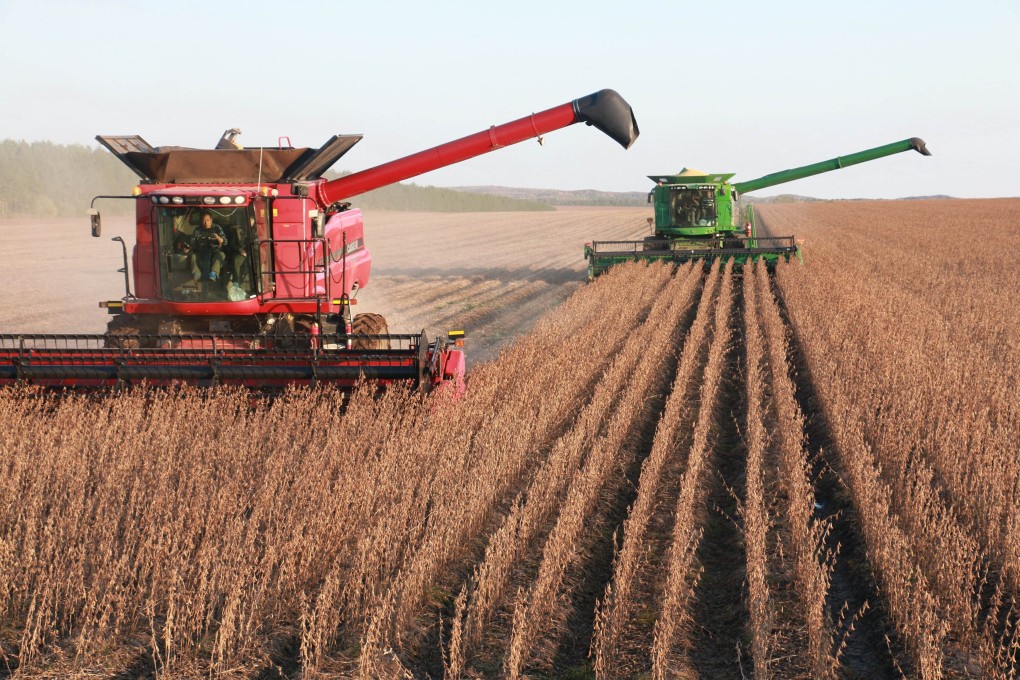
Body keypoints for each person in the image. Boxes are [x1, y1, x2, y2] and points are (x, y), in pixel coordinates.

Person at [190, 211, 226, 282]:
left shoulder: (217, 228)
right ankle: (197, 273)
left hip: (214, 253)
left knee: (221, 254)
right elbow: (192, 243)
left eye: (207, 220)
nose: (206, 223)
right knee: (193, 256)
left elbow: (225, 242)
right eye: (203, 221)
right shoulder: (197, 230)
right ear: (201, 221)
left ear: (211, 220)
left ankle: (213, 273)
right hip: (201, 253)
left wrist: (217, 238)